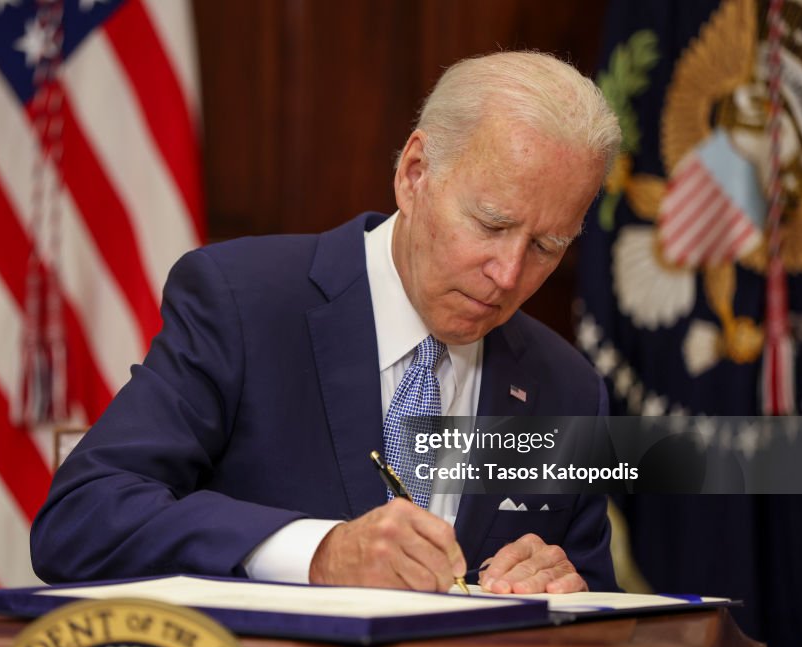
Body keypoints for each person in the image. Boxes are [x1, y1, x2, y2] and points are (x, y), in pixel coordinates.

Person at [31, 51, 622, 595]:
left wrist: (564, 590)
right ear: (415, 173)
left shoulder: (565, 388)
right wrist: (316, 552)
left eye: (547, 246)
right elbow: (81, 521)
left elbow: (606, 626)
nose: (509, 272)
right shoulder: (242, 303)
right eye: (491, 225)